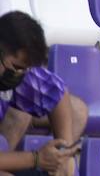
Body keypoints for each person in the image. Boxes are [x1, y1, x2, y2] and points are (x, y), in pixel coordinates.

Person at [0, 10, 89, 176]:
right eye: (17, 67)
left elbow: (56, 92)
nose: (19, 74)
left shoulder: (15, 70)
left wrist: (63, 155)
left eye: (24, 69)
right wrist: (36, 159)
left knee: (76, 110)